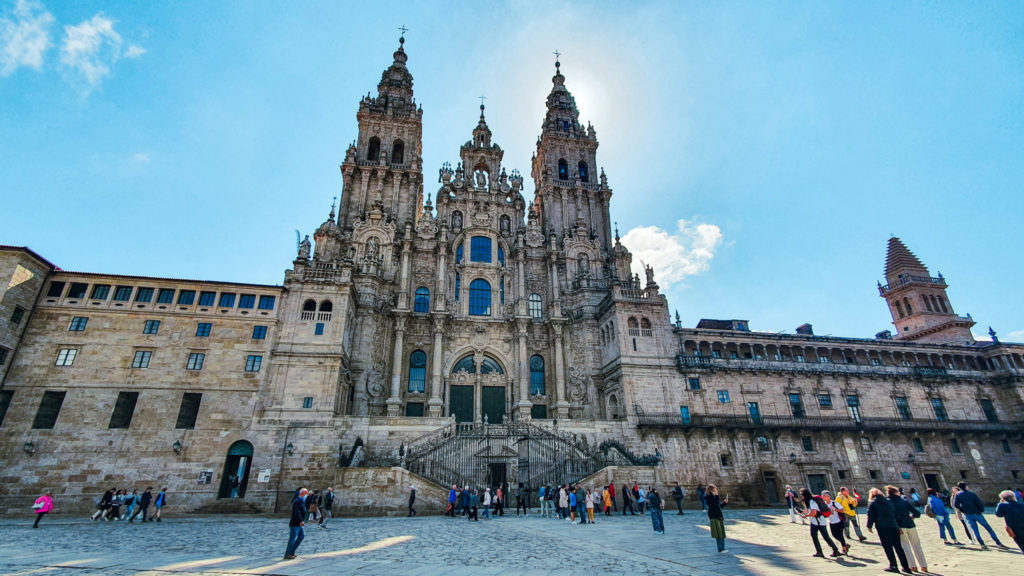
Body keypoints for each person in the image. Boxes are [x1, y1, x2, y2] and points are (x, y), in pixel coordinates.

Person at [866, 487, 911, 574]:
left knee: (888, 547)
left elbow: (871, 515)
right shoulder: (889, 502)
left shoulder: (873, 503)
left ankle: (893, 565)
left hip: (882, 527)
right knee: (898, 547)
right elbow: (895, 514)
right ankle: (906, 567)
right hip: (893, 526)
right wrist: (898, 526)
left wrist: (869, 526)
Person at [952, 481, 1006, 549]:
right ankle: (998, 543)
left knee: (975, 530)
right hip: (977, 513)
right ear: (966, 486)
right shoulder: (972, 494)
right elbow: (979, 503)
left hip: (968, 514)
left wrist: (963, 510)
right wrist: (981, 510)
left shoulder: (958, 495)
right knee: (988, 528)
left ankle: (982, 544)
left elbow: (956, 505)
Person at [887, 485, 926, 572]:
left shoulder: (888, 502)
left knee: (905, 546)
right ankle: (923, 566)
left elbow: (891, 516)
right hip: (910, 524)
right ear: (896, 493)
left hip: (900, 527)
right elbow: (917, 513)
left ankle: (913, 566)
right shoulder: (903, 501)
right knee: (917, 545)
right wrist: (912, 516)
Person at [800, 488, 840, 558]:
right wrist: (803, 511)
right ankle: (820, 551)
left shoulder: (812, 501)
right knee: (815, 536)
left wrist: (806, 515)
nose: (801, 496)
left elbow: (814, 513)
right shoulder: (810, 501)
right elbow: (811, 511)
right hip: (815, 522)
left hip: (819, 522)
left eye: (801, 495)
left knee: (825, 537)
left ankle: (835, 550)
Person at [283, 488, 308, 560]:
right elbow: (296, 512)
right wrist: (300, 521)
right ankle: (288, 554)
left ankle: (292, 552)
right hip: (295, 523)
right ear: (302, 493)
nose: (307, 496)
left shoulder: (302, 501)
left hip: (299, 524)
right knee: (292, 539)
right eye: (306, 494)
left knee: (301, 536)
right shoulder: (297, 501)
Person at [705, 484, 729, 553]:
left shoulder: (714, 497)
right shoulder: (709, 497)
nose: (716, 490)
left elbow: (718, 507)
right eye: (715, 489)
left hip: (719, 516)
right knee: (718, 534)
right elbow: (714, 505)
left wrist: (724, 503)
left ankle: (722, 548)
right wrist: (717, 495)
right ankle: (720, 548)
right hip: (714, 517)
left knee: (721, 533)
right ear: (712, 490)